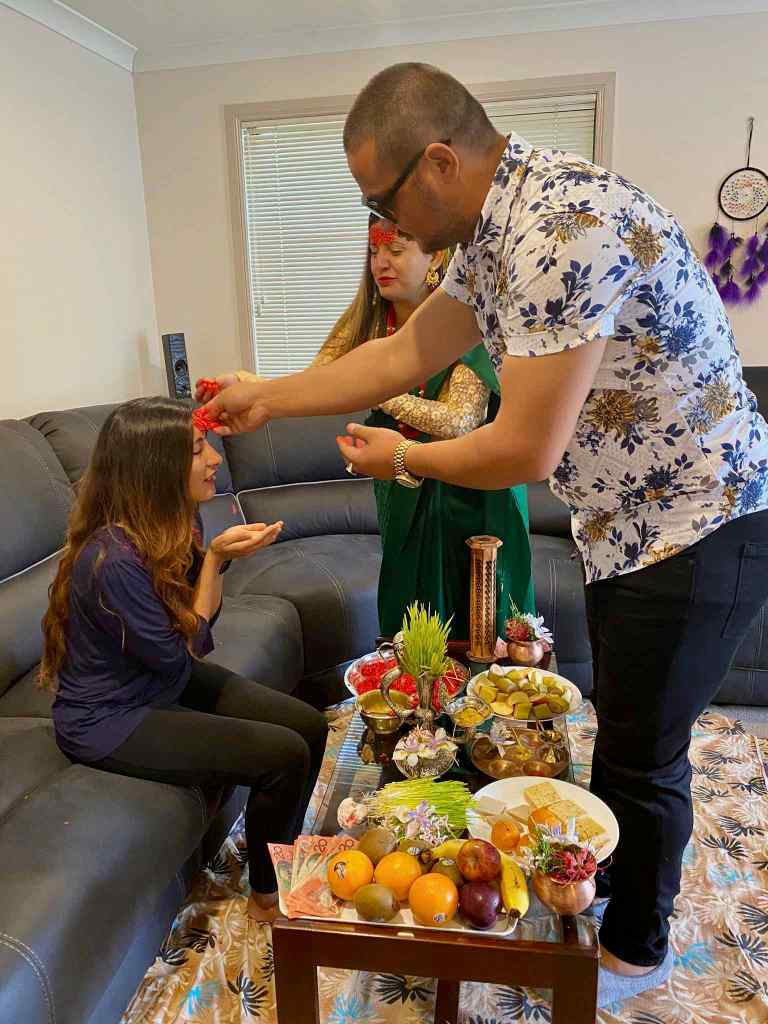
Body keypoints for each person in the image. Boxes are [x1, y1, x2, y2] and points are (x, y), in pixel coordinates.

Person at [202, 63, 768, 1001]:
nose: (383, 225)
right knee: (623, 732)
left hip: (698, 524)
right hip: (627, 526)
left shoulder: (559, 226)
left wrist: (403, 458)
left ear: (438, 162)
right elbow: (402, 352)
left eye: (384, 199)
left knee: (645, 754)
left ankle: (634, 955)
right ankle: (603, 895)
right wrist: (270, 396)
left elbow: (524, 448)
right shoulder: (493, 231)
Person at [40, 397, 328, 923]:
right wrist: (215, 560)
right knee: (283, 756)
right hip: (110, 718)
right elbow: (183, 648)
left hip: (159, 680)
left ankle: (283, 853)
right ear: (158, 464)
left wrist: (215, 557)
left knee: (309, 725)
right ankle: (267, 899)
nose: (215, 458)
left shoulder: (170, 519)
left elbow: (187, 622)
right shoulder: (111, 560)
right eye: (198, 450)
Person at [199, 216, 534, 639]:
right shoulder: (368, 321)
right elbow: (318, 383)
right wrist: (247, 385)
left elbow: (457, 420)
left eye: (396, 250)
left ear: (436, 258)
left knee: (477, 627)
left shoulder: (463, 317)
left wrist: (370, 390)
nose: (381, 263)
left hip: (471, 494)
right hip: (401, 487)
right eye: (374, 251)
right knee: (412, 623)